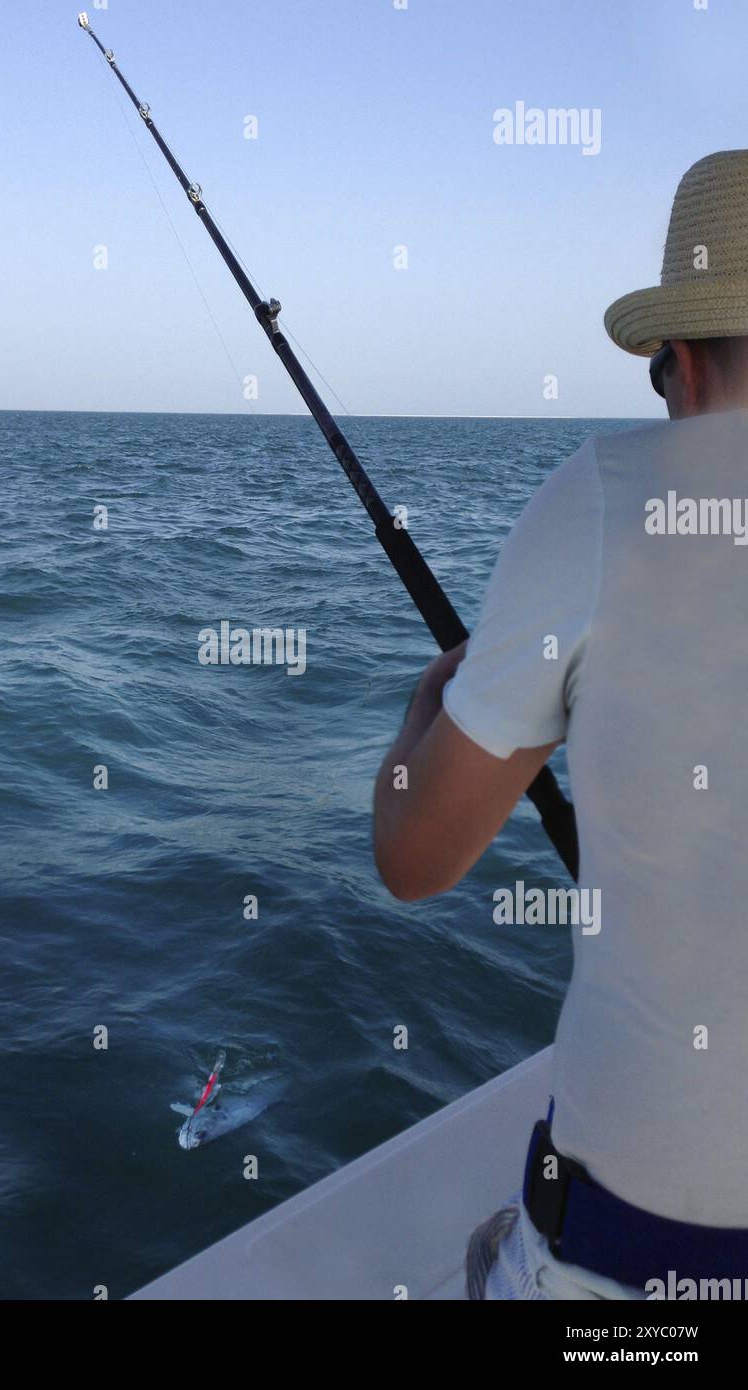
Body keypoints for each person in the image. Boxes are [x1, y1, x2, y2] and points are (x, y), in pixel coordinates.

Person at [372, 149, 748, 1300]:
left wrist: (418, 718)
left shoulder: (599, 497)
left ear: (675, 362)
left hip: (650, 1262)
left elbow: (415, 860)